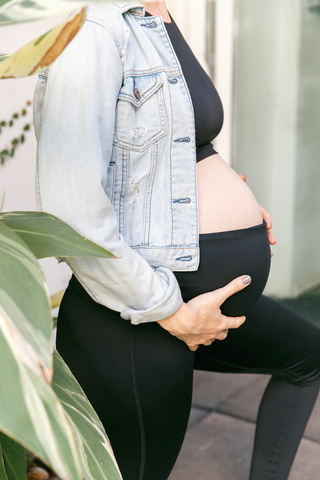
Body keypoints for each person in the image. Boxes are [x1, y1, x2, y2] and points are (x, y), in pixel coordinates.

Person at [33, 2, 320, 479]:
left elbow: (172, 144)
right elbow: (71, 207)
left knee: (305, 357)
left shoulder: (158, 15)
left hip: (196, 295)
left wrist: (235, 198)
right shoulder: (95, 30)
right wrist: (172, 312)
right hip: (145, 309)